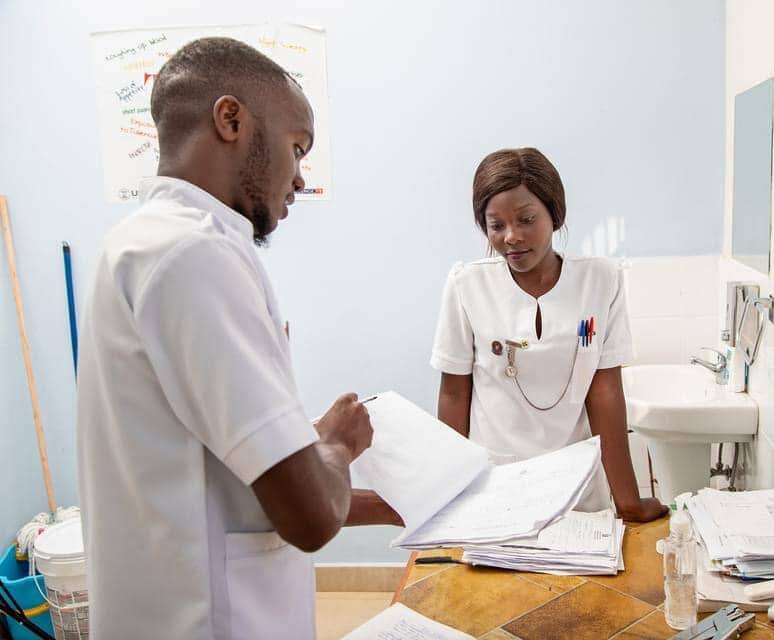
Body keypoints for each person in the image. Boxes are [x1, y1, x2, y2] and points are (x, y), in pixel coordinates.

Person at [76, 37, 398, 639]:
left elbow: (220, 469)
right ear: (231, 120)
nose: (299, 179)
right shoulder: (192, 254)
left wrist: (400, 498)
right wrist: (337, 444)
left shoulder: (142, 244)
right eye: (297, 148)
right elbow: (307, 516)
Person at [431, 147, 667, 522]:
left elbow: (604, 391)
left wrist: (629, 502)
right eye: (496, 225)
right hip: (494, 485)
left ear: (554, 214)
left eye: (526, 219)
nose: (511, 236)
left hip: (577, 489)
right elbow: (454, 393)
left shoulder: (600, 281)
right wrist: (447, 495)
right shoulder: (467, 285)